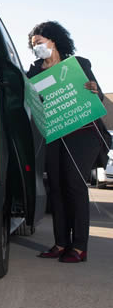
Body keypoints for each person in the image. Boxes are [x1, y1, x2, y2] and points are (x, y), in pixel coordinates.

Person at [28, 21, 110, 263]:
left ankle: (79, 246)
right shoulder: (33, 72)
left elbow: (100, 95)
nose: (36, 48)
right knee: (56, 186)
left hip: (83, 132)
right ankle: (61, 243)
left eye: (40, 43)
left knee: (74, 184)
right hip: (55, 133)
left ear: (54, 41)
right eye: (33, 45)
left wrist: (94, 89)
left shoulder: (78, 65)